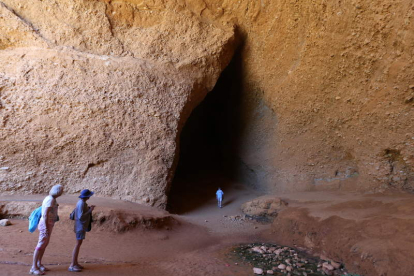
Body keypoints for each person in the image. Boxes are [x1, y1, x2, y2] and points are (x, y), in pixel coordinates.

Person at [30, 184, 63, 275]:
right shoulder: (50, 200)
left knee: (44, 244)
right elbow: (45, 215)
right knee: (40, 245)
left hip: (48, 224)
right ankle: (33, 267)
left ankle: (38, 263)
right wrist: (45, 228)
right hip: (45, 224)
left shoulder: (52, 199)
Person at [69, 189, 95, 272]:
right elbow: (80, 217)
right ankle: (72, 265)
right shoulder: (81, 203)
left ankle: (75, 263)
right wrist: (90, 211)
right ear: (87, 196)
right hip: (80, 227)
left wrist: (89, 209)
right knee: (77, 244)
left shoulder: (82, 203)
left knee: (78, 244)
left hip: (80, 227)